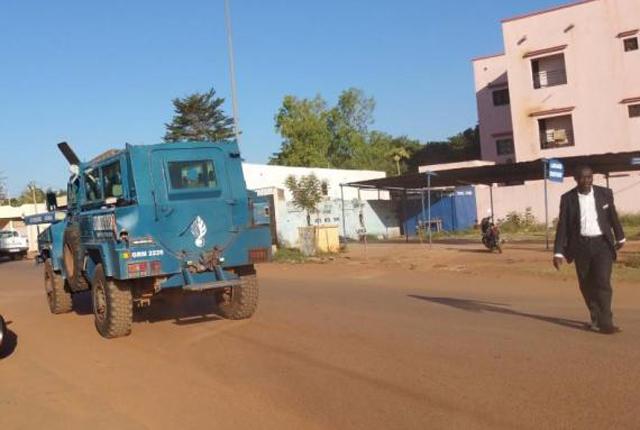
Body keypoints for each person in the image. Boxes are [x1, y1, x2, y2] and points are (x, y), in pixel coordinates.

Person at [553, 165, 626, 334]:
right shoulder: (568, 198)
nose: (586, 181)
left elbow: (613, 216)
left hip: (602, 245)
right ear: (575, 179)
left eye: (589, 177)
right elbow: (563, 226)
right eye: (582, 178)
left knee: (603, 281)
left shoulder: (604, 193)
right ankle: (596, 318)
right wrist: (558, 252)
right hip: (580, 246)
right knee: (586, 284)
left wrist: (620, 236)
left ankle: (606, 323)